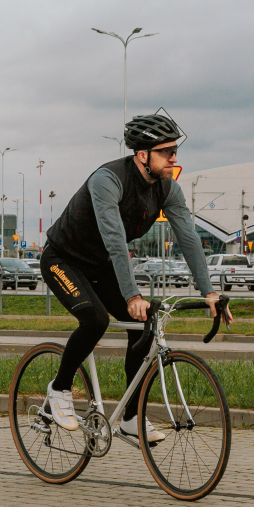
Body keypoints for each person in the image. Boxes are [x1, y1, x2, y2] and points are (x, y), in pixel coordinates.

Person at [39, 110, 229, 441]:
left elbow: (189, 240)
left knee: (144, 324)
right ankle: (59, 388)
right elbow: (115, 242)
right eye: (166, 152)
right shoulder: (108, 180)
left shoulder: (167, 189)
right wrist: (132, 296)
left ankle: (130, 417)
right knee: (95, 319)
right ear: (142, 155)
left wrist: (209, 291)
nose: (174, 158)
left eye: (174, 150)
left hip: (101, 267)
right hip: (64, 260)